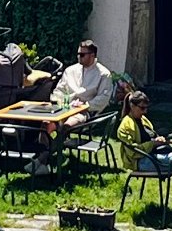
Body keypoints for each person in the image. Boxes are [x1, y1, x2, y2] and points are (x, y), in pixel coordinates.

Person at [26, 40, 114, 175]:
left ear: (92, 55)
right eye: (78, 54)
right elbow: (58, 91)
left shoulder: (103, 74)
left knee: (66, 127)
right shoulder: (70, 70)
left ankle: (41, 160)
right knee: (45, 124)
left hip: (86, 112)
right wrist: (60, 102)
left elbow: (103, 98)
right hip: (65, 108)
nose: (79, 57)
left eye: (82, 54)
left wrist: (86, 106)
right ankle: (47, 156)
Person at [116, 90, 172, 206]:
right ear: (132, 106)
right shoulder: (125, 126)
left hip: (155, 155)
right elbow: (132, 152)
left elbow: (151, 136)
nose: (145, 111)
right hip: (141, 161)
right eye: (142, 108)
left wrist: (160, 140)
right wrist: (153, 144)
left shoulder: (143, 119)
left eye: (146, 108)